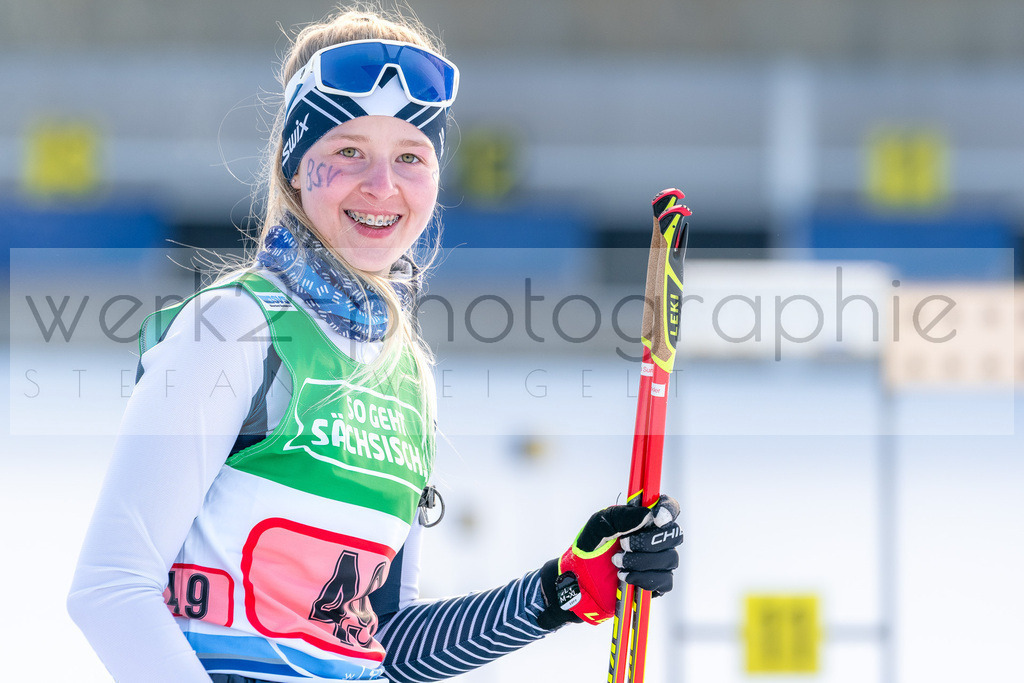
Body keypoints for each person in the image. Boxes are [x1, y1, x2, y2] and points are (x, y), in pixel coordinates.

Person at [67, 4, 684, 682]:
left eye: (410, 156)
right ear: (296, 166)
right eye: (348, 152)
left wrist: (560, 592)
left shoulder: (407, 374)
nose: (382, 186)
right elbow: (110, 588)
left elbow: (384, 644)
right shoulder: (234, 329)